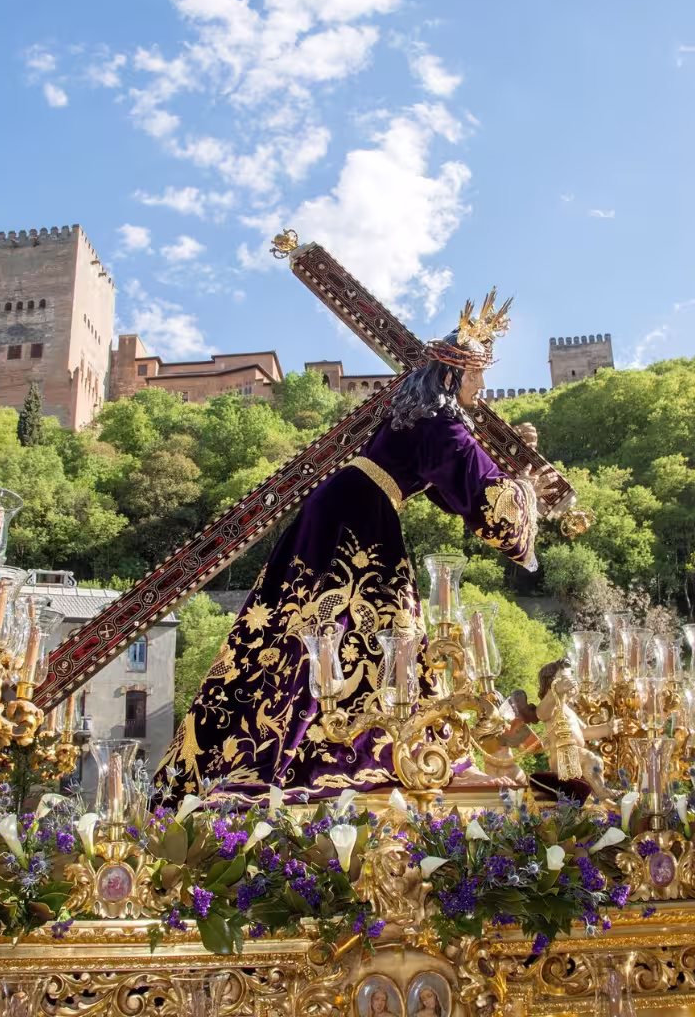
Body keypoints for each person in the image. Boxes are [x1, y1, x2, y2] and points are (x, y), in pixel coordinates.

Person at [156, 292, 554, 799]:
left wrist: (512, 463)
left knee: (308, 630)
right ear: (453, 375)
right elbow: (482, 497)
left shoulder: (419, 417)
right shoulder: (441, 423)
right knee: (392, 630)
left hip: (340, 507)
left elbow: (454, 481)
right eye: (476, 375)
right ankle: (408, 752)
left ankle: (366, 743)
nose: (482, 386)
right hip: (362, 517)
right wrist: (526, 489)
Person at [535, 659, 619, 805]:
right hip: (562, 757)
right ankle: (602, 791)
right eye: (565, 679)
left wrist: (608, 728)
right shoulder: (552, 707)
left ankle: (599, 796)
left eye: (571, 677)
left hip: (577, 756)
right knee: (591, 759)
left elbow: (585, 731)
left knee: (596, 762)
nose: (571, 682)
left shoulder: (569, 710)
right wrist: (554, 692)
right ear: (551, 683)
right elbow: (541, 714)